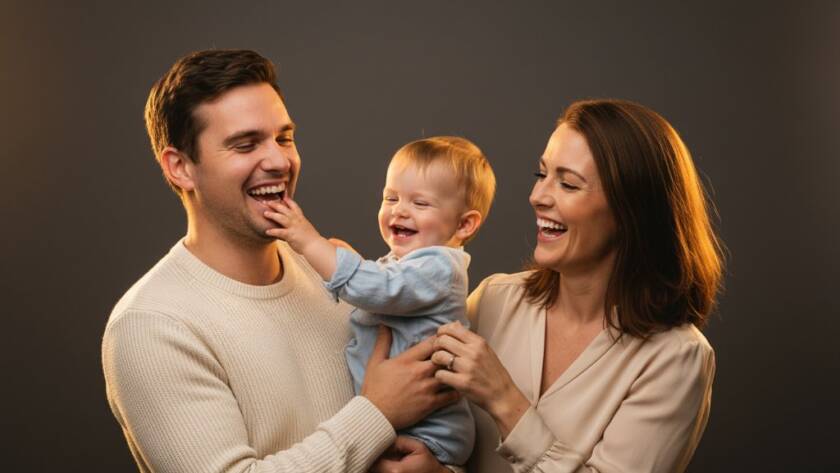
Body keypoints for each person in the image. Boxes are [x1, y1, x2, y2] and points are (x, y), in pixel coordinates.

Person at [101, 49, 459, 473]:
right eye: (246, 144)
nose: (279, 161)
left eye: (284, 138)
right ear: (180, 167)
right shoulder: (152, 325)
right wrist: (377, 413)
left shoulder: (333, 272)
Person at [427, 99, 723, 472]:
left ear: (630, 212)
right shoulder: (495, 299)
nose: (538, 197)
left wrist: (505, 400)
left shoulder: (676, 358)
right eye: (541, 175)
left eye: (568, 184)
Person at [261, 136, 497, 466]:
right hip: (393, 420)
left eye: (421, 203)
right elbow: (386, 290)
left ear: (464, 224)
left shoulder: (442, 268)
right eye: (391, 198)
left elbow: (382, 290)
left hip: (431, 433)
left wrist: (310, 242)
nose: (400, 210)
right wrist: (355, 263)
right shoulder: (405, 265)